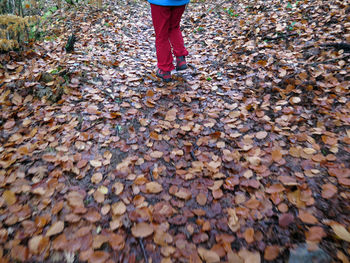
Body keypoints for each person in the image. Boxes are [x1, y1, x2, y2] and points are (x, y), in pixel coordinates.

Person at [147, 0, 190, 82]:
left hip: (160, 2)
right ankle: (181, 59)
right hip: (180, 1)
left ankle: (165, 70)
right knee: (174, 27)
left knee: (161, 35)